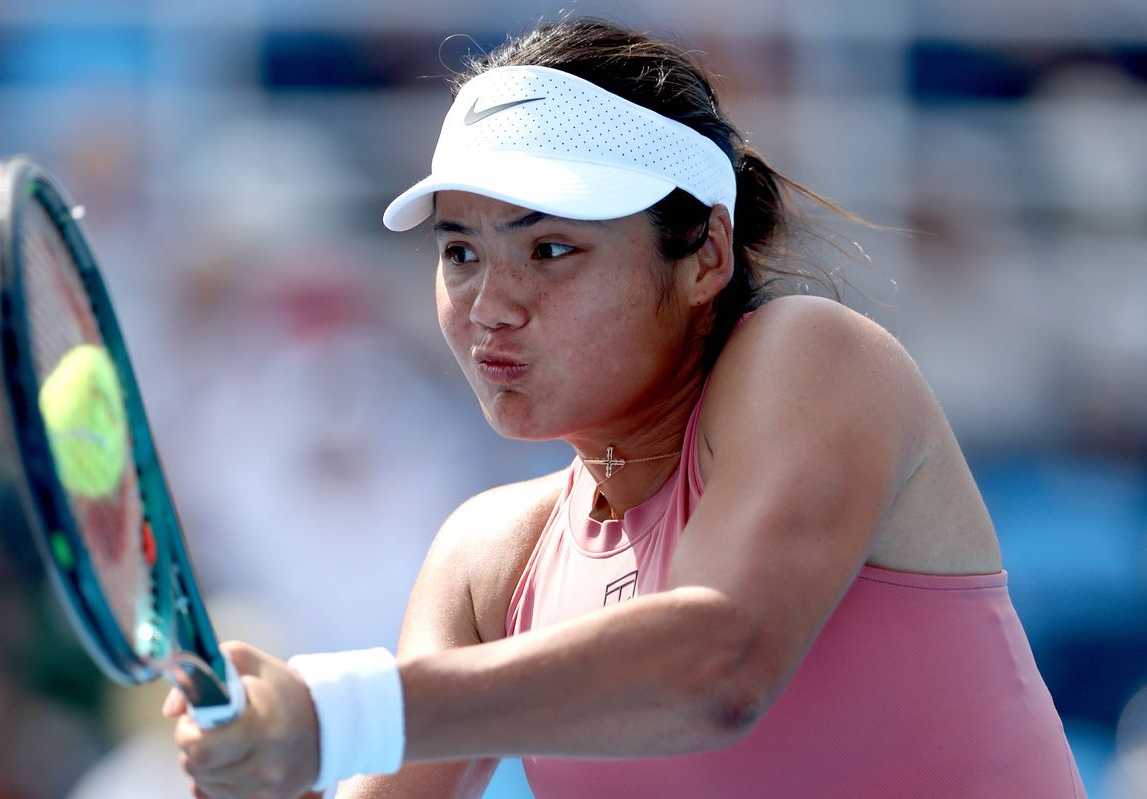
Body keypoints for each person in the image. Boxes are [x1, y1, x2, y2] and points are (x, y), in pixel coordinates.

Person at [165, 17, 1086, 799]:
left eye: (551, 250)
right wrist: (269, 767)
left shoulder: (819, 354)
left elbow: (720, 668)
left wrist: (332, 715)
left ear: (706, 255)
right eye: (460, 253)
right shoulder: (486, 561)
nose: (490, 306)